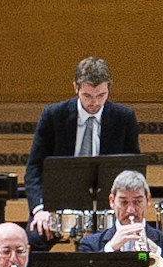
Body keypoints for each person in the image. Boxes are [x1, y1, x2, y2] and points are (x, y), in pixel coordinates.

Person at [25, 55, 138, 216]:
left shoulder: (124, 118)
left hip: (108, 206)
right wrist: (39, 209)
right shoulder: (53, 115)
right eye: (87, 96)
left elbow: (133, 168)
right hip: (57, 204)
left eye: (101, 95)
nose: (95, 102)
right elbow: (34, 169)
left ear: (109, 89)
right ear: (75, 88)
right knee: (35, 238)